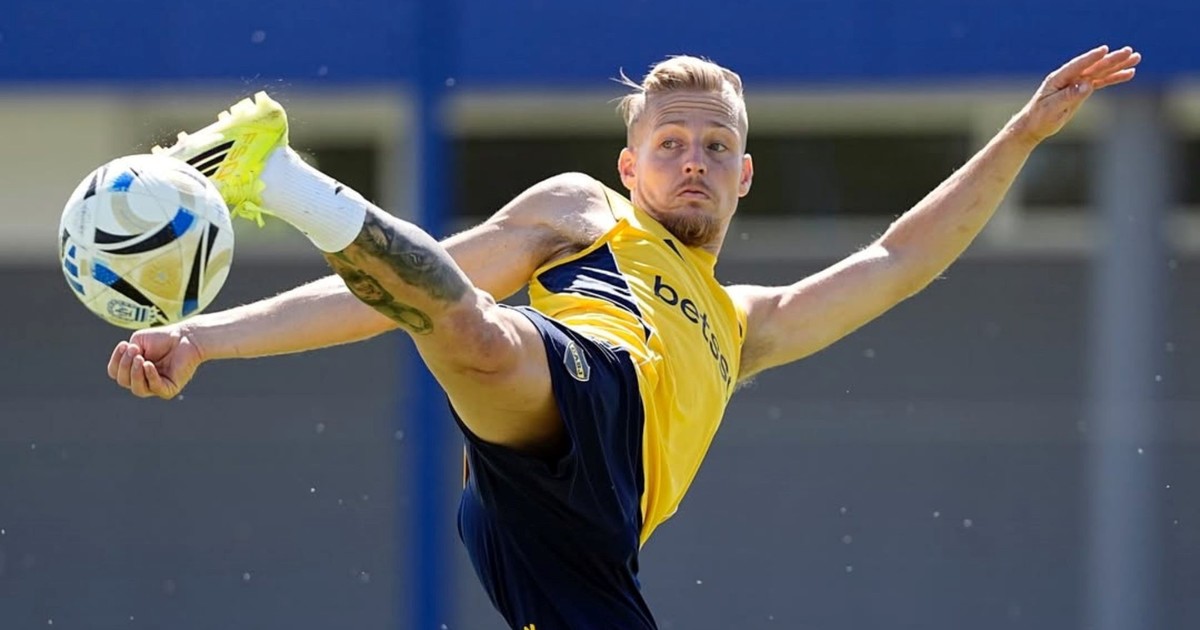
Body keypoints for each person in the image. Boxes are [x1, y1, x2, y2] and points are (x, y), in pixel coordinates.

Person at [107, 45, 1140, 629]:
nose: (693, 160)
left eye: (716, 146)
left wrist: (1023, 134)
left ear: (743, 176)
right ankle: (280, 175)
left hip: (591, 536)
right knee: (472, 332)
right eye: (671, 142)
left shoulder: (749, 322)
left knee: (470, 335)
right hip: (562, 390)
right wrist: (205, 339)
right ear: (630, 166)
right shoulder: (585, 212)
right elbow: (407, 293)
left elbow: (900, 257)